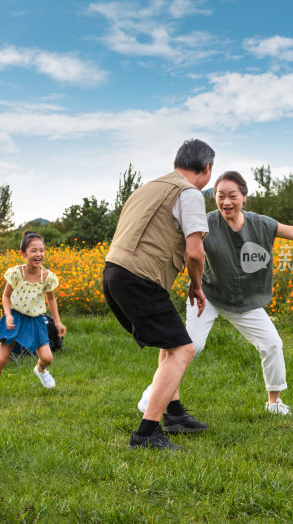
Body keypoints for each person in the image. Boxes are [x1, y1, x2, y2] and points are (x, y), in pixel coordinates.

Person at [137, 171, 293, 417]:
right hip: (208, 296)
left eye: (232, 195)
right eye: (220, 196)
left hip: (245, 300)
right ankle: (153, 396)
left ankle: (274, 403)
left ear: (244, 197)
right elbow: (180, 247)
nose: (226, 201)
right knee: (191, 346)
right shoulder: (205, 223)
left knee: (272, 344)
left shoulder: (260, 224)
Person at [103, 138, 214, 450]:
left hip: (114, 273)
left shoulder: (148, 187)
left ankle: (175, 414)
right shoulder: (189, 193)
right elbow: (195, 252)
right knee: (184, 350)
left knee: (170, 342)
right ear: (207, 168)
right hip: (141, 278)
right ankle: (146, 433)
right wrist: (196, 285)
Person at [0, 231, 67, 404]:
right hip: (15, 319)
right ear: (23, 253)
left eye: (42, 250)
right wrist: (8, 315)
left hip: (37, 320)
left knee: (47, 358)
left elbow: (51, 299)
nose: (39, 254)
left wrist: (57, 321)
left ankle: (40, 370)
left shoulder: (47, 276)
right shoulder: (16, 273)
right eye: (34, 250)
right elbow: (5, 296)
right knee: (2, 359)